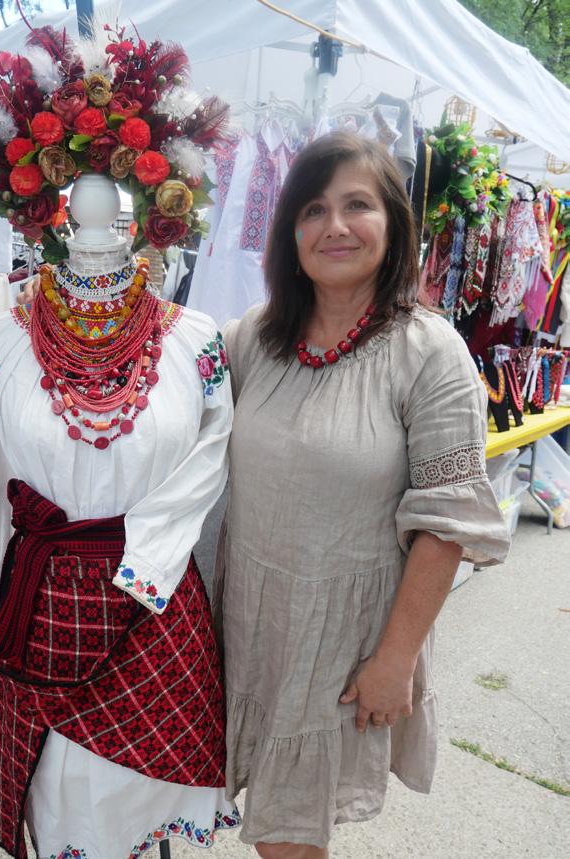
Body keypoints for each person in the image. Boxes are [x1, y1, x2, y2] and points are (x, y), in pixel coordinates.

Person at [214, 132, 510, 859]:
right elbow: (164, 382)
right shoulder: (253, 339)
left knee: (289, 837)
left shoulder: (430, 351)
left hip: (345, 644)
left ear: (393, 224)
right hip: (250, 622)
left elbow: (446, 522)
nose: (335, 226)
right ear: (291, 233)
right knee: (277, 830)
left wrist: (395, 660)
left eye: (357, 205)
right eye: (313, 209)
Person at [0, 246, 240, 858]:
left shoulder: (195, 337)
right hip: (47, 608)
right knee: (65, 796)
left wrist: (150, 556)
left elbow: (215, 450)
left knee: (146, 788)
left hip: (155, 598)